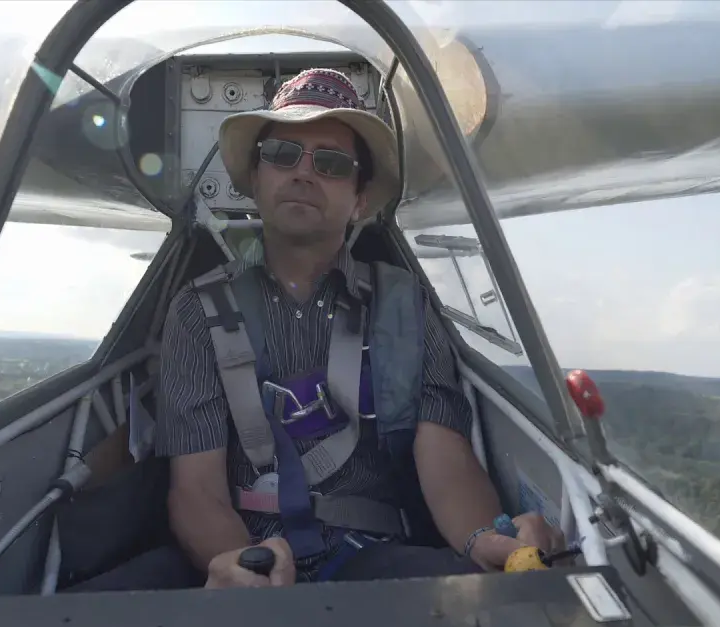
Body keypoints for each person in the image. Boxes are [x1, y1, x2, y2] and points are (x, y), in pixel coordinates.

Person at [154, 68, 563, 590]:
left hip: (372, 558)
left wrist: (481, 538)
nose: (302, 173)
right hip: (248, 553)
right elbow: (195, 489)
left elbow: (443, 453)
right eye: (281, 155)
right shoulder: (197, 311)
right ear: (255, 178)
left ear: (360, 200)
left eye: (330, 163)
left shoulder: (403, 305)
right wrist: (239, 564)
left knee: (482, 608)